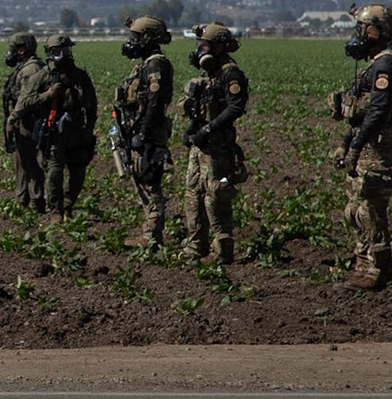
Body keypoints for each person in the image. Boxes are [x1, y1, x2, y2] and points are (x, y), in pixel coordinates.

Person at [331, 3, 392, 290]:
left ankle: (378, 272)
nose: (359, 34)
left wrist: (356, 146)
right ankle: (364, 265)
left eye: (363, 28)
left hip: (378, 147)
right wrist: (348, 143)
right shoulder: (377, 63)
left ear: (378, 32)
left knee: (371, 210)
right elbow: (361, 115)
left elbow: (377, 112)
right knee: (355, 210)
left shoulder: (387, 65)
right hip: (366, 144)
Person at [180, 23, 250, 264]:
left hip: (218, 146)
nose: (200, 49)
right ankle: (196, 246)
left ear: (219, 47)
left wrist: (209, 128)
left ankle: (222, 250)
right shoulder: (209, 75)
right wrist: (193, 130)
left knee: (215, 196)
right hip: (201, 145)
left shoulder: (231, 74)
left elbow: (235, 107)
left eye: (205, 45)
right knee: (193, 194)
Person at [111, 16, 174, 248]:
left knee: (150, 181)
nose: (132, 42)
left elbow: (155, 105)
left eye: (136, 38)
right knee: (141, 181)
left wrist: (143, 134)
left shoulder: (156, 66)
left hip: (148, 135)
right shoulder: (145, 65)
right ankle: (148, 232)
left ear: (149, 39)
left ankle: (152, 237)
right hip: (137, 131)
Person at [27, 34, 98, 218]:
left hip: (76, 132)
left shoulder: (80, 77)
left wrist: (89, 129)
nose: (64, 54)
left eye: (67, 50)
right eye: (59, 51)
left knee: (78, 172)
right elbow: (28, 102)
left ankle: (68, 204)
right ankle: (56, 210)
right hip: (53, 132)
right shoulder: (41, 77)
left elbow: (92, 105)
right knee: (54, 173)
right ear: (50, 53)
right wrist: (48, 95)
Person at [1, 32, 47, 210]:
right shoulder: (26, 67)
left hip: (29, 122)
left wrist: (14, 119)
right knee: (21, 162)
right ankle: (22, 199)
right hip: (23, 122)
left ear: (22, 50)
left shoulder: (31, 70)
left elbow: (27, 99)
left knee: (31, 163)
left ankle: (37, 200)